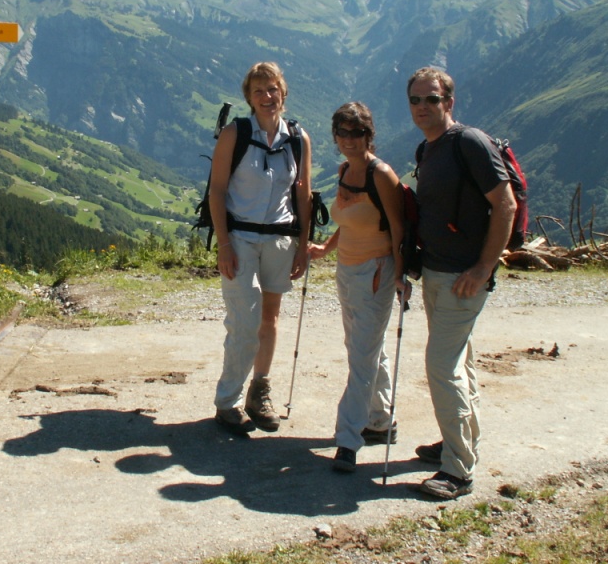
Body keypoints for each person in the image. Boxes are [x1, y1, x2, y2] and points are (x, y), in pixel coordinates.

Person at [407, 67, 517, 499]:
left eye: (431, 99)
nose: (422, 107)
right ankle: (458, 443)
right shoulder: (428, 149)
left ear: (449, 103)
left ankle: (457, 470)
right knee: (459, 363)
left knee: (441, 365)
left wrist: (483, 268)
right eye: (415, 100)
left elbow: (504, 205)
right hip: (436, 270)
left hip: (462, 278)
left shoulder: (469, 143)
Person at [209, 61, 313, 436]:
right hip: (239, 238)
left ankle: (259, 391)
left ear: (283, 93)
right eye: (259, 91)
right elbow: (216, 191)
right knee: (245, 320)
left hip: (280, 239)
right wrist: (223, 243)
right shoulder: (235, 134)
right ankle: (228, 401)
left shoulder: (298, 139)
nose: (267, 96)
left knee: (269, 320)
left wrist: (303, 245)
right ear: (249, 98)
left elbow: (303, 194)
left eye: (272, 89)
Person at [308, 102, 407, 473]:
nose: (349, 140)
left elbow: (398, 226)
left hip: (376, 272)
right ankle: (381, 421)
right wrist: (325, 248)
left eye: (357, 132)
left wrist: (401, 272)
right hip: (347, 269)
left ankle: (348, 439)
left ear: (369, 135)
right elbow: (349, 222)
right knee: (363, 347)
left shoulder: (381, 175)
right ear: (335, 135)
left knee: (361, 357)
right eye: (343, 132)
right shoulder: (345, 171)